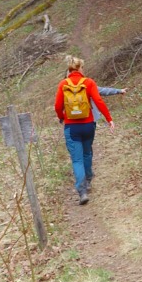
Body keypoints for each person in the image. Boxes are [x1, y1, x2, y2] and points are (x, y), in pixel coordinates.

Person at [55, 55, 114, 205]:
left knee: (77, 159)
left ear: (69, 69)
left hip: (71, 127)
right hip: (88, 125)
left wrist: (61, 116)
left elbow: (57, 105)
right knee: (87, 152)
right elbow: (99, 101)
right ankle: (88, 180)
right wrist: (109, 119)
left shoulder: (63, 84)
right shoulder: (88, 82)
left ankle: (82, 191)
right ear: (80, 68)